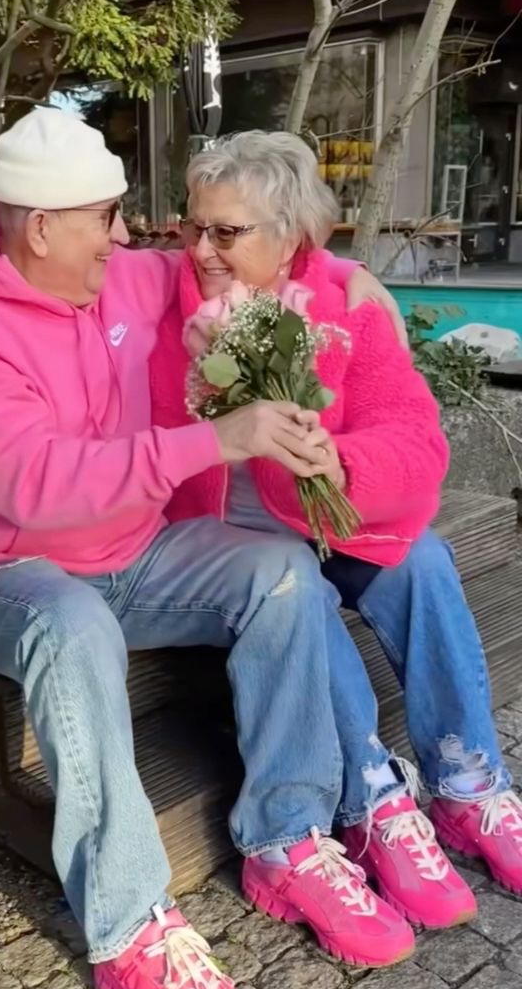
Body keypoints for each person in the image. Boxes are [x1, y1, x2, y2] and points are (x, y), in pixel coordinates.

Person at [0, 108, 415, 989]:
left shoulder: (124, 277)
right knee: (72, 625)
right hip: (1, 576)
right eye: (106, 216)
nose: (127, 234)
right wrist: (215, 440)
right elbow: (36, 486)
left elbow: (241, 263)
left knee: (279, 569)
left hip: (135, 554)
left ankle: (286, 838)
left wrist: (350, 281)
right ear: (41, 227)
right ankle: (130, 928)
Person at [150, 130, 522, 933]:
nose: (202, 249)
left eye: (226, 231)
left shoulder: (342, 307)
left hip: (332, 519)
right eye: (193, 226)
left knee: (422, 559)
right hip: (228, 546)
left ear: (289, 235)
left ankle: (468, 786)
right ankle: (375, 802)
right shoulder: (160, 294)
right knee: (295, 580)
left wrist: (341, 462)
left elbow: (417, 441)